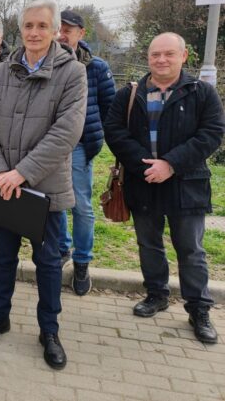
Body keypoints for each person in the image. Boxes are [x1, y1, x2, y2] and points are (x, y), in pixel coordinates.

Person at [0, 0, 87, 370]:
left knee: (48, 264)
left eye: (42, 26)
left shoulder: (72, 74)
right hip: (4, 186)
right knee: (3, 258)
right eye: (28, 26)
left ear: (56, 30)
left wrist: (20, 173)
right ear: (19, 29)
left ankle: (49, 330)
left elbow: (66, 132)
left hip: (45, 190)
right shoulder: (3, 72)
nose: (34, 32)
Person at [105, 32, 225, 345]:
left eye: (169, 54)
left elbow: (211, 134)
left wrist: (169, 164)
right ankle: (156, 295)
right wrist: (144, 166)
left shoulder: (201, 93)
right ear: (148, 58)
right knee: (149, 244)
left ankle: (199, 309)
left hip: (186, 186)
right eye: (155, 54)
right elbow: (114, 132)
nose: (161, 60)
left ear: (184, 56)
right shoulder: (129, 94)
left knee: (191, 250)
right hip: (143, 183)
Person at [56, 10, 116, 295]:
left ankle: (82, 262)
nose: (62, 34)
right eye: (59, 28)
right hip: (50, 147)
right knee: (53, 203)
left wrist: (95, 137)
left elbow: (110, 109)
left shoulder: (97, 67)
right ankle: (62, 248)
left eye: (68, 29)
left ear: (81, 33)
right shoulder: (46, 62)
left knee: (80, 205)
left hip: (80, 147)